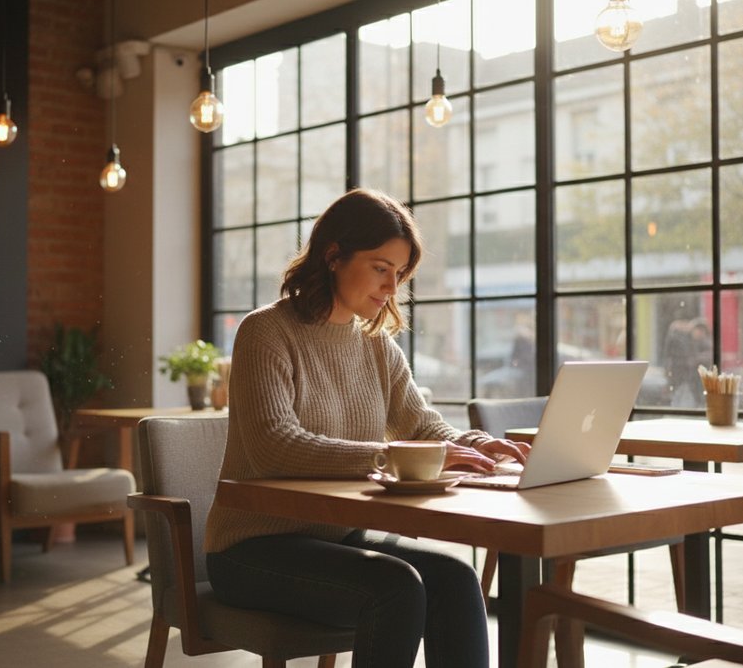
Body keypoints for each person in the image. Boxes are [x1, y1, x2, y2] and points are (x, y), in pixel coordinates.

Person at [204, 188, 530, 668]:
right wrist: (391, 457)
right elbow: (275, 447)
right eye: (381, 268)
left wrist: (482, 446)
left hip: (335, 539)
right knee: (396, 591)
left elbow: (421, 425)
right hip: (251, 550)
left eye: (399, 274)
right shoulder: (264, 332)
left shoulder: (376, 346)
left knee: (457, 581)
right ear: (333, 255)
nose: (392, 288)